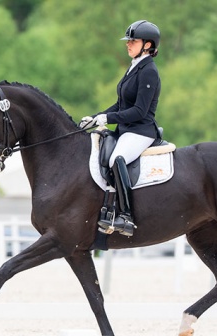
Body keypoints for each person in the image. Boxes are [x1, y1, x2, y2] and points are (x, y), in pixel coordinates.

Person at [80, 20, 162, 237]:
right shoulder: (134, 66)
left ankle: (126, 216)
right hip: (126, 130)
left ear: (147, 45)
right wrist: (97, 118)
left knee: (118, 158)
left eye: (133, 41)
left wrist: (108, 118)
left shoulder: (149, 71)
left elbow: (139, 111)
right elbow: (120, 105)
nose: (128, 44)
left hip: (141, 130)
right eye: (128, 41)